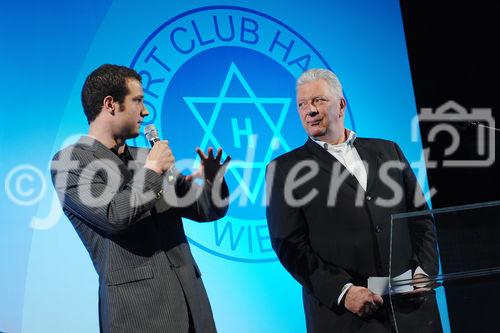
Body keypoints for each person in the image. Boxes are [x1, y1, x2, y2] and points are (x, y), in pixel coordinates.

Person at [51, 64, 230, 333]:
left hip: (194, 308)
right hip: (140, 315)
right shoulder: (71, 161)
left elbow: (204, 210)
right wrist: (153, 171)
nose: (145, 112)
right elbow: (114, 217)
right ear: (110, 104)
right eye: (137, 101)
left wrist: (213, 180)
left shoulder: (147, 158)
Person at [266, 68, 442, 332]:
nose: (309, 110)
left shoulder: (388, 150)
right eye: (302, 104)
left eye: (318, 100)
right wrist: (343, 291)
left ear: (341, 104)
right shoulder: (284, 170)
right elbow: (290, 246)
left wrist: (424, 271)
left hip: (412, 312)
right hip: (349, 319)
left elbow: (421, 220)